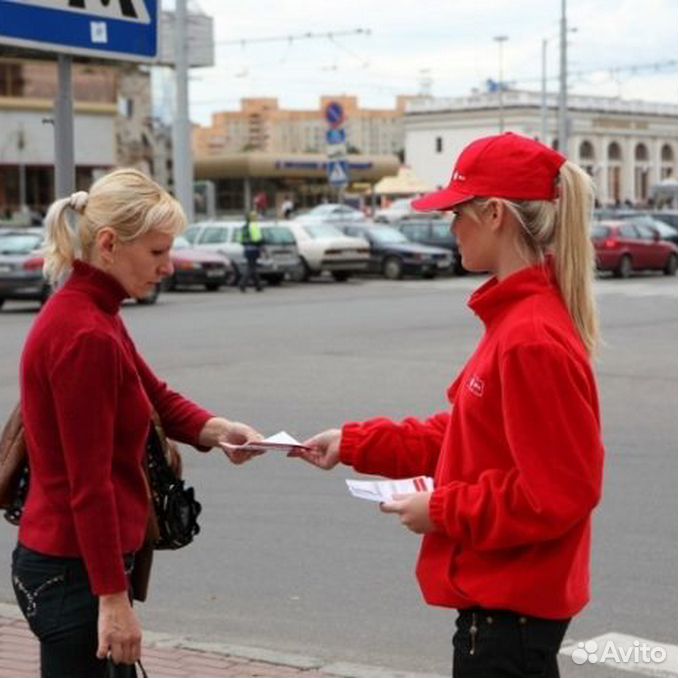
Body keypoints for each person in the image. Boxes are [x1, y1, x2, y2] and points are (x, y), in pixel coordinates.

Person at [292, 133, 605, 678]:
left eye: (456, 213)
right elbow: (466, 433)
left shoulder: (530, 335)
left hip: (510, 622)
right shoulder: (515, 321)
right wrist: (356, 443)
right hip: (504, 614)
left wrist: (440, 511)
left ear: (493, 214)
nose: (449, 227)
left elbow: (559, 493)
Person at [13, 168, 263, 678]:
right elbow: (91, 484)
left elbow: (156, 398)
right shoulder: (86, 333)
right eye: (156, 252)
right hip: (74, 573)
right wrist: (112, 600)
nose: (169, 266)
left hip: (74, 567)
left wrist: (218, 431)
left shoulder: (96, 312)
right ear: (108, 244)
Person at [239, 212, 263, 292]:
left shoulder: (244, 227)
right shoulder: (254, 227)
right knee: (251, 268)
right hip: (254, 249)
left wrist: (246, 244)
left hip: (247, 249)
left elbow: (240, 240)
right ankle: (242, 284)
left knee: (253, 267)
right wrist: (262, 244)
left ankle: (258, 286)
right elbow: (258, 239)